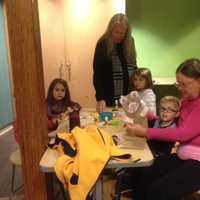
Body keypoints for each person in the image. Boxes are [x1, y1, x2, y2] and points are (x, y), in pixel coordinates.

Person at [125, 58, 200, 200]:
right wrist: (144, 113)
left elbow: (182, 134)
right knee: (141, 172)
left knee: (157, 191)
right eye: (179, 84)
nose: (180, 88)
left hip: (197, 163)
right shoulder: (186, 100)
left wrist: (146, 132)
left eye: (184, 84)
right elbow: (166, 119)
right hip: (184, 156)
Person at [93, 13, 137, 113]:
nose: (119, 36)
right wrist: (100, 98)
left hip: (128, 95)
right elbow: (97, 73)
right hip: (108, 94)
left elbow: (133, 67)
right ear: (110, 30)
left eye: (123, 33)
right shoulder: (102, 44)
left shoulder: (130, 42)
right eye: (116, 32)